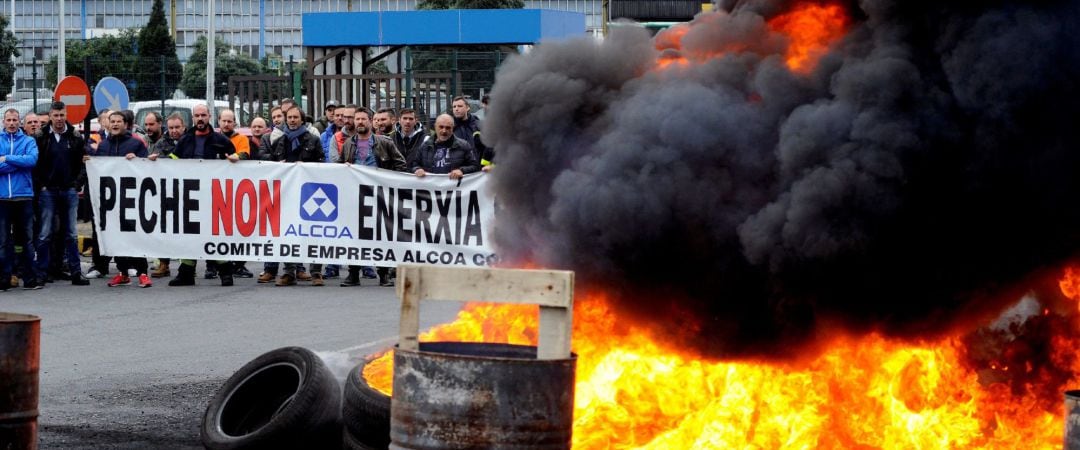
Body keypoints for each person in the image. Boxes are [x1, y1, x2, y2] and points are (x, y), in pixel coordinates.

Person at [153, 103, 238, 287]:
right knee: (189, 232)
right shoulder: (186, 140)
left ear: (209, 117)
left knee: (215, 233)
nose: (200, 118)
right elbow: (173, 161)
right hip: (189, 195)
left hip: (214, 195)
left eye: (203, 115)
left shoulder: (220, 140)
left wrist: (238, 158)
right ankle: (186, 272)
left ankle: (225, 272)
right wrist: (157, 162)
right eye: (197, 115)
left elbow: (236, 161)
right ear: (193, 118)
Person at [337, 107, 407, 287]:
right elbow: (337, 168)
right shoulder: (348, 144)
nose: (359, 122)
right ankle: (353, 273)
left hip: (379, 195)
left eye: (363, 119)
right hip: (355, 196)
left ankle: (383, 274)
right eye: (357, 119)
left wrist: (389, 183)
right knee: (354, 235)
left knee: (380, 234)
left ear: (371, 121)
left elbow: (401, 164)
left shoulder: (385, 143)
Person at [32, 101, 90, 286]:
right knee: (44, 233)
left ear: (66, 115)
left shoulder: (75, 136)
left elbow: (84, 163)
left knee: (71, 234)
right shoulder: (40, 137)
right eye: (55, 115)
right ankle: (42, 273)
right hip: (48, 191)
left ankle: (76, 272)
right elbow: (34, 165)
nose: (59, 119)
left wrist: (76, 184)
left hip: (69, 191)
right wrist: (41, 185)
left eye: (62, 115)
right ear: (50, 116)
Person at [92, 111, 151, 288]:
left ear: (125, 124)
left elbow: (148, 166)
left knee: (135, 235)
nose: (116, 124)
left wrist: (138, 160)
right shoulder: (102, 146)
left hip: (131, 198)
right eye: (113, 121)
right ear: (107, 124)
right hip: (111, 200)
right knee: (115, 236)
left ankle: (142, 272)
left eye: (119, 121)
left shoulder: (136, 143)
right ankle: (122, 272)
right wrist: (90, 161)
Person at [268, 106, 324, 287]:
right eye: (289, 117)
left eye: (295, 117)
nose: (292, 120)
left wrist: (307, 167)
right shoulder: (279, 142)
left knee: (314, 232)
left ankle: (316, 272)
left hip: (310, 194)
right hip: (287, 195)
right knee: (288, 232)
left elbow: (323, 165)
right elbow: (271, 168)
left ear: (302, 120)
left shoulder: (314, 140)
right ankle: (289, 272)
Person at [0, 108, 41, 291]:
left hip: (23, 196)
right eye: (8, 120)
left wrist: (6, 158)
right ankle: (4, 279)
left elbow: (31, 161)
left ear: (19, 122)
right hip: (2, 198)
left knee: (26, 240)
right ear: (3, 121)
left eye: (14, 120)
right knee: (2, 241)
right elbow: (23, 162)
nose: (11, 123)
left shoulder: (28, 140)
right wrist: (18, 163)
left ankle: (30, 279)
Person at [146, 113, 187, 278]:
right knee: (165, 228)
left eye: (177, 127)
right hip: (167, 192)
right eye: (171, 128)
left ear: (183, 127)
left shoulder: (189, 140)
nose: (174, 131)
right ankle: (164, 264)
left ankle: (187, 265)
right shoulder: (161, 143)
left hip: (187, 192)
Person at [408, 113, 480, 180]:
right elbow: (414, 164)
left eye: (448, 128)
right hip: (430, 189)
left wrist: (462, 171)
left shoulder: (464, 145)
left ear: (453, 128)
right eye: (441, 127)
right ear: (435, 127)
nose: (444, 131)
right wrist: (417, 169)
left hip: (454, 190)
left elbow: (475, 166)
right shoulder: (425, 145)